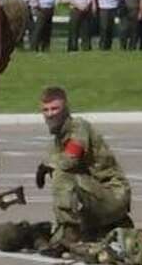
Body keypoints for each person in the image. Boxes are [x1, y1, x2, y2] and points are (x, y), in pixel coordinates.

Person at [37, 85, 131, 248]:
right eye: (46, 110)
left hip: (113, 195)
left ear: (65, 109)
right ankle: (91, 227)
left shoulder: (79, 127)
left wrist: (48, 164)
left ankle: (70, 233)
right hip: (96, 196)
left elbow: (70, 160)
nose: (50, 114)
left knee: (62, 174)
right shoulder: (57, 141)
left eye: (55, 108)